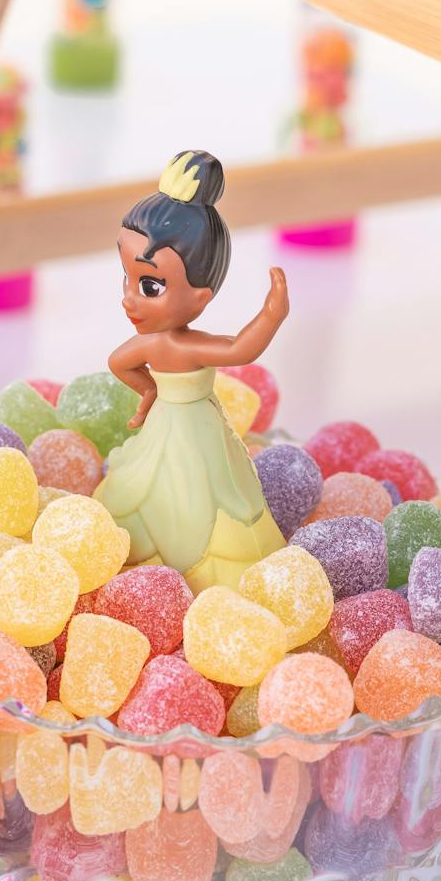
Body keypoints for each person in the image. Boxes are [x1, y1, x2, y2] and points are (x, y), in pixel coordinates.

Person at [96, 151, 288, 591]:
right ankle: (145, 573)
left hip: (194, 431)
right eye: (126, 278)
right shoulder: (158, 343)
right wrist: (148, 393)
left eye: (149, 285)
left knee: (205, 495)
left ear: (201, 298)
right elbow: (118, 362)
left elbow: (242, 348)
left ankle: (200, 579)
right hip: (175, 424)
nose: (130, 299)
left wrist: (272, 316)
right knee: (157, 491)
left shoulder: (185, 345)